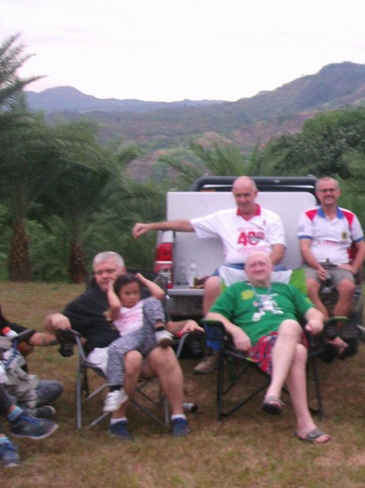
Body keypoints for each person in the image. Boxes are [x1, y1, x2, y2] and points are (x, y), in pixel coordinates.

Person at [132, 175, 286, 373]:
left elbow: (278, 252)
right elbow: (187, 225)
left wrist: (260, 269)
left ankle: (288, 343)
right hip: (235, 269)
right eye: (238, 195)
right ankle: (213, 349)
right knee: (212, 284)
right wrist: (151, 226)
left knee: (293, 285)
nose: (242, 200)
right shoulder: (224, 217)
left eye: (246, 195)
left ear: (256, 194)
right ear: (233, 195)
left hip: (265, 266)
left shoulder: (271, 218)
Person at [44, 251, 201, 441]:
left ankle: (178, 418)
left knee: (165, 352)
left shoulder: (140, 294)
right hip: (107, 353)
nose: (104, 276)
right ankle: (117, 421)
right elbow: (51, 326)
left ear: (124, 271)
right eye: (99, 272)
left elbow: (166, 326)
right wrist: (55, 318)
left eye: (110, 271)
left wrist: (187, 323)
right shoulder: (86, 302)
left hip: (143, 347)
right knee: (132, 356)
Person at [205, 252, 330, 445]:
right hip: (259, 344)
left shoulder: (287, 289)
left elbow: (313, 312)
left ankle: (273, 392)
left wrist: (317, 321)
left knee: (290, 325)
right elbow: (212, 315)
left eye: (262, 264)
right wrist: (235, 330)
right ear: (246, 271)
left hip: (289, 335)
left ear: (271, 268)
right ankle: (305, 425)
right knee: (298, 352)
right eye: (253, 265)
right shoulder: (236, 290)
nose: (258, 268)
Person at [298, 176, 365, 329]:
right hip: (313, 265)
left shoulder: (349, 217)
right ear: (317, 194)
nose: (328, 193)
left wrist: (354, 269)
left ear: (338, 192)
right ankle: (327, 328)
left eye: (331, 190)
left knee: (348, 288)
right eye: (324, 191)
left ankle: (334, 331)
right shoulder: (308, 215)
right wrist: (318, 267)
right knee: (308, 286)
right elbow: (304, 247)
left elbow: (362, 247)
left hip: (340, 265)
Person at [101, 273, 176, 413]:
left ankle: (160, 330)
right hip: (131, 341)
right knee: (114, 349)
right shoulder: (117, 311)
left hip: (150, 334)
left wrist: (143, 280)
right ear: (118, 294)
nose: (132, 297)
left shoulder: (142, 305)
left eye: (136, 292)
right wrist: (110, 289)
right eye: (127, 293)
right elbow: (115, 304)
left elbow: (160, 293)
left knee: (152, 301)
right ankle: (115, 391)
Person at [0, 302, 63, 415]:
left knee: (54, 387)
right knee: (6, 397)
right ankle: (24, 411)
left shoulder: (7, 329)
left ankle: (20, 408)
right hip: (3, 388)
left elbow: (34, 338)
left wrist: (64, 338)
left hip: (18, 382)